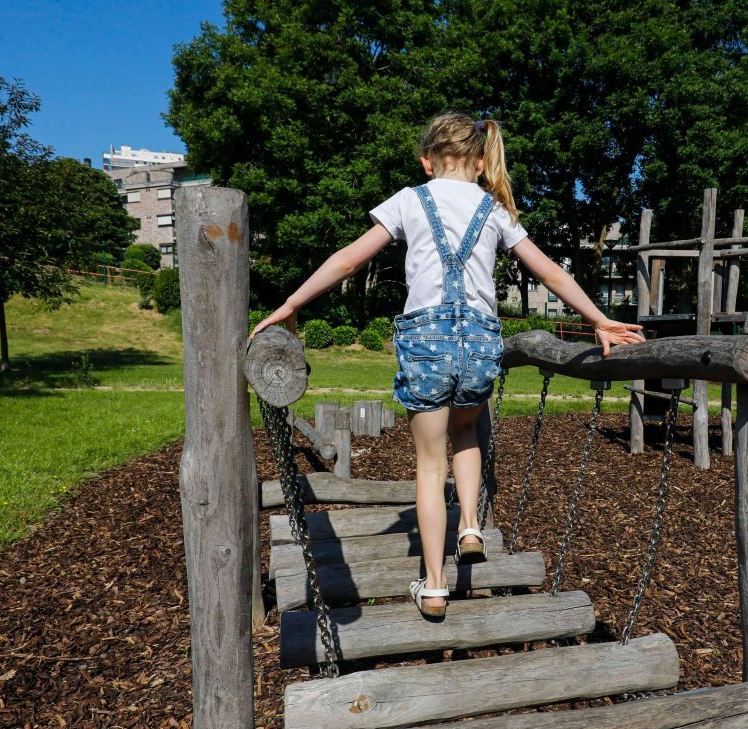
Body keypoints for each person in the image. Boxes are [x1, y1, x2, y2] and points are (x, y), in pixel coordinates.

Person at [251, 112, 643, 618]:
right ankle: (471, 527)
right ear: (481, 163)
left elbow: (349, 259)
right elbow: (548, 270)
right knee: (468, 436)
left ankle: (434, 585)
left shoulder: (411, 200)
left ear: (426, 161)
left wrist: (290, 305)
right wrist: (599, 319)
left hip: (427, 342)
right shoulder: (494, 209)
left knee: (431, 467)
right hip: (480, 342)